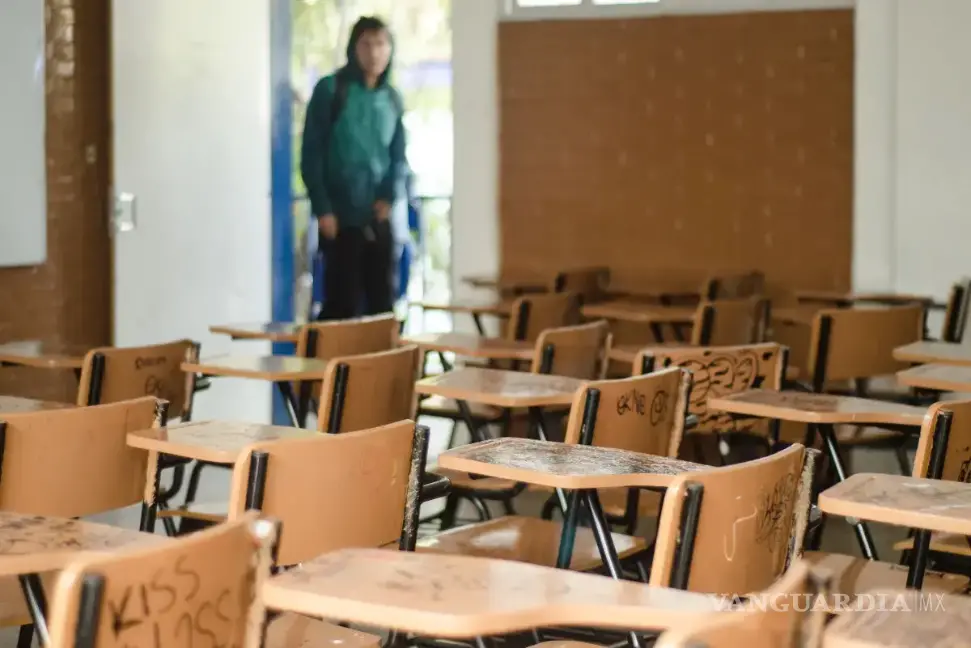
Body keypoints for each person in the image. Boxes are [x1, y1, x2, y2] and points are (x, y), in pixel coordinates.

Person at [301, 16, 406, 320]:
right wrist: (323, 209)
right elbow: (311, 153)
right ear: (353, 49)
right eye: (366, 44)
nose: (374, 53)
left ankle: (381, 354)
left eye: (381, 44)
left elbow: (398, 157)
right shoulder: (331, 90)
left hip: (377, 218)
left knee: (382, 305)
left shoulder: (391, 99)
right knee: (341, 304)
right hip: (339, 218)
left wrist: (389, 196)